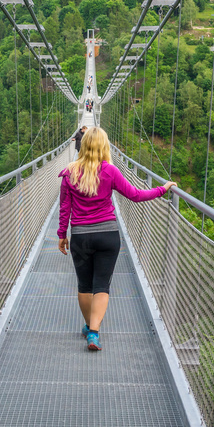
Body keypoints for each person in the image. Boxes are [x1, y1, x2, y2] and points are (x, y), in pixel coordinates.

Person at [57, 127, 176, 351]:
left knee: (84, 285)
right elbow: (135, 195)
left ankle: (87, 325)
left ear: (82, 145)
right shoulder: (110, 171)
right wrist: (162, 189)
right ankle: (94, 333)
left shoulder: (69, 173)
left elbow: (65, 208)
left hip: (81, 236)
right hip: (107, 236)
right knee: (101, 285)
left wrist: (62, 235)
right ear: (104, 146)